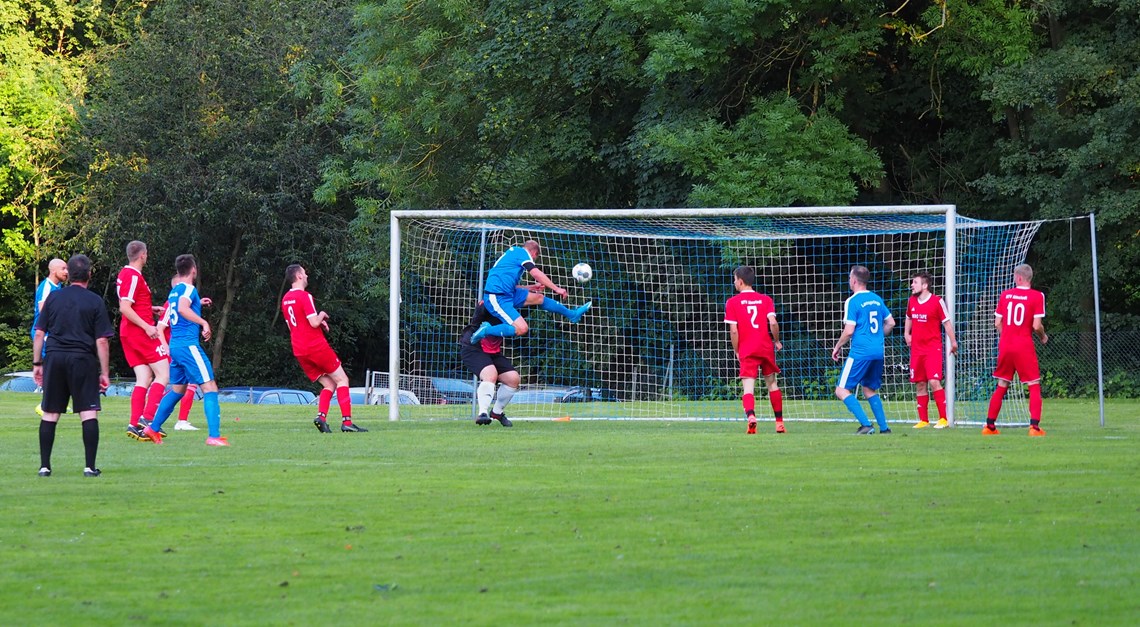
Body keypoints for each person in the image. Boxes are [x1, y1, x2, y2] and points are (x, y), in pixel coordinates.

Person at [32, 254, 114, 477]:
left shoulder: (54, 299)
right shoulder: (94, 300)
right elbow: (102, 340)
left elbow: (39, 333)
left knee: (49, 413)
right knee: (88, 412)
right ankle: (89, 467)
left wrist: (37, 363)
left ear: (69, 274)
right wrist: (104, 372)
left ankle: (44, 466)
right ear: (89, 274)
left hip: (55, 358)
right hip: (82, 360)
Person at [141, 254, 228, 446]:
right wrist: (204, 322)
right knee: (210, 387)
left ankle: (152, 429)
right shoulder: (189, 288)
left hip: (176, 348)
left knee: (178, 390)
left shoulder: (175, 291)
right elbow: (182, 309)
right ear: (194, 270)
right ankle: (214, 436)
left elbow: (180, 307)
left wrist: (198, 304)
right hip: (188, 346)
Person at [281, 264, 366, 433]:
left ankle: (321, 417)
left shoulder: (285, 300)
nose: (307, 276)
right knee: (342, 380)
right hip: (315, 346)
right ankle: (347, 423)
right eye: (304, 273)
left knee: (328, 384)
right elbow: (313, 322)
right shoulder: (305, 297)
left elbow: (293, 327)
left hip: (299, 349)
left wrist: (318, 323)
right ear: (298, 276)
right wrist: (322, 315)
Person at [470, 239, 591, 343]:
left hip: (508, 293)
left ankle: (572, 315)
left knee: (539, 298)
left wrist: (531, 287)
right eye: (536, 258)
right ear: (534, 253)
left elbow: (509, 285)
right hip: (496, 297)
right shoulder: (522, 253)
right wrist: (556, 288)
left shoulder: (513, 254)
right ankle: (486, 330)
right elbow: (535, 273)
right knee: (522, 329)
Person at [116, 241, 172, 441]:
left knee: (144, 377)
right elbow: (125, 307)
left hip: (130, 332)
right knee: (164, 374)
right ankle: (147, 419)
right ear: (143, 255)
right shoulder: (132, 275)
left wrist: (151, 310)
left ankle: (134, 424)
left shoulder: (128, 275)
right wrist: (148, 326)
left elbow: (133, 304)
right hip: (140, 332)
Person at [985, 264, 1048, 436]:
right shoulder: (1037, 296)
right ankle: (1034, 427)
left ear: (1018, 278)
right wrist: (1043, 336)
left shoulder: (1005, 295)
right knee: (1033, 384)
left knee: (1002, 384)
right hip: (1023, 345)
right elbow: (1036, 326)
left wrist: (1007, 336)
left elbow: (998, 323)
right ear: (1029, 278)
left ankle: (989, 426)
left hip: (1006, 344)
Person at [832, 265, 896, 435]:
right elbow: (891, 323)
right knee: (868, 389)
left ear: (853, 280)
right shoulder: (876, 299)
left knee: (841, 389)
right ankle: (884, 428)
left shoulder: (852, 301)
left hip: (861, 352)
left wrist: (837, 346)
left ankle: (866, 424)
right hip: (878, 352)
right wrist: (878, 337)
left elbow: (849, 330)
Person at [724, 266, 785, 434]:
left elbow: (734, 330)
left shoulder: (732, 302)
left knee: (748, 388)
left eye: (735, 279)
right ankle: (779, 423)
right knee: (772, 384)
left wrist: (737, 350)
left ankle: (751, 416)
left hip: (747, 348)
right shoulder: (765, 299)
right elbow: (772, 322)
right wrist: (777, 341)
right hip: (765, 347)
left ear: (741, 281)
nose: (734, 282)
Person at [904, 271, 959, 429]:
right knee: (920, 384)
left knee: (934, 381)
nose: (912, 285)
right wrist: (907, 333)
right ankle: (924, 420)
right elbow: (909, 317)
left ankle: (943, 418)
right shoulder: (912, 301)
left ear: (925, 285)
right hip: (917, 350)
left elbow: (946, 323)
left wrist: (953, 341)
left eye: (915, 282)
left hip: (932, 349)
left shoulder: (937, 301)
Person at [153, 274, 203, 431]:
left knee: (183, 386)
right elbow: (160, 327)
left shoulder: (178, 303)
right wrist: (165, 348)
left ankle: (158, 419)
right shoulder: (170, 304)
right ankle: (179, 420)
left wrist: (199, 303)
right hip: (178, 349)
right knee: (189, 384)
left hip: (180, 347)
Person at [460, 301, 522, 427]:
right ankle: (482, 413)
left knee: (513, 379)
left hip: (493, 351)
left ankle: (497, 412)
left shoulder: (509, 306)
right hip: (473, 347)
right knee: (491, 375)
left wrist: (535, 288)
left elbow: (526, 297)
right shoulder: (487, 304)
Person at [31, 258, 68, 416]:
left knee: (58, 366)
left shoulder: (58, 286)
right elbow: (44, 311)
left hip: (52, 332)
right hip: (44, 332)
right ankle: (45, 403)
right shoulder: (47, 287)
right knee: (52, 366)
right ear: (54, 271)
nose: (66, 272)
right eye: (63, 268)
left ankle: (56, 402)